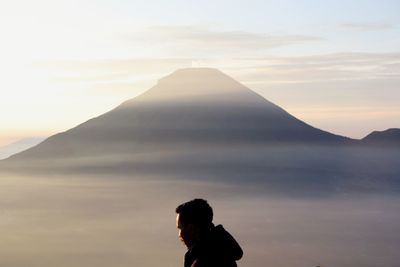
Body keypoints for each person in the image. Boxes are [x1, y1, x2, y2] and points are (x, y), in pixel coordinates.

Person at [175, 198, 243, 267]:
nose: (179, 235)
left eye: (180, 228)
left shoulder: (207, 258)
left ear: (191, 228)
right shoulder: (222, 249)